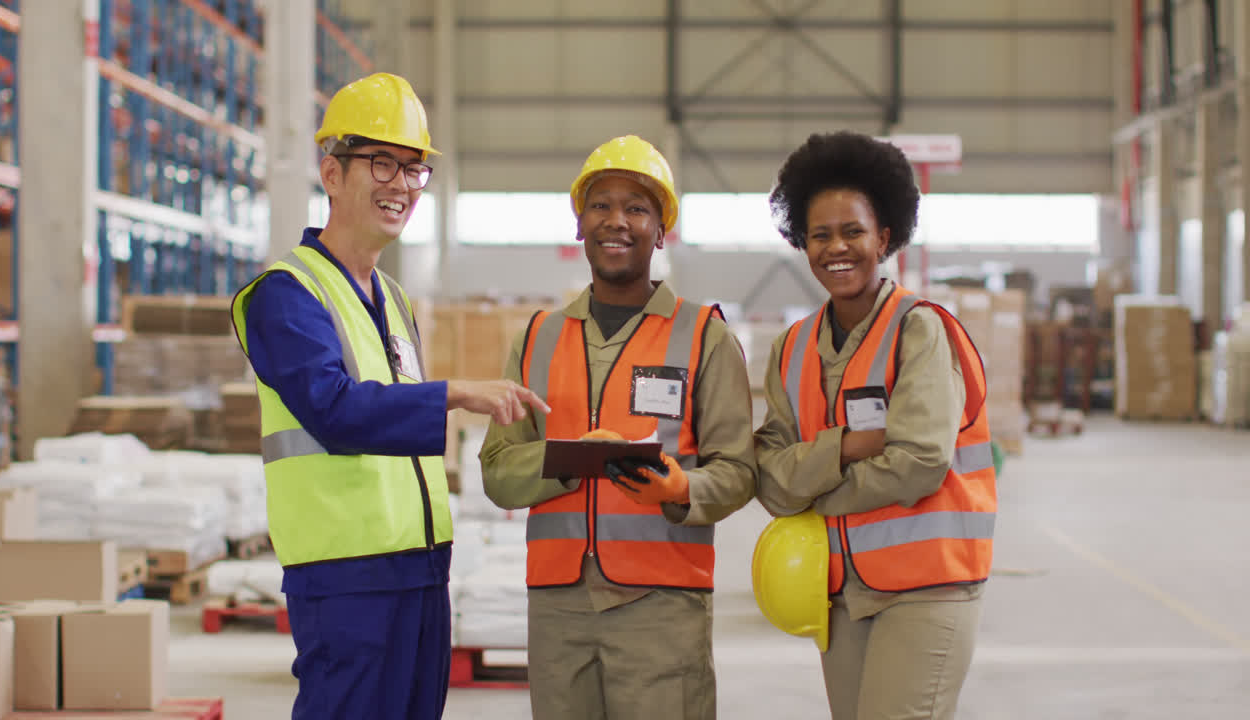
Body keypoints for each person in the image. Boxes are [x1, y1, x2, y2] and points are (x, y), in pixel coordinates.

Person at [229, 72, 548, 720]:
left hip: (421, 566)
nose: (401, 183)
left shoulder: (393, 300)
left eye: (414, 169)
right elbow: (335, 410)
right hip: (346, 577)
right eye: (381, 162)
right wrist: (454, 393)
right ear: (332, 172)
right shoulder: (287, 295)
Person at [478, 135, 757, 720]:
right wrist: (571, 461)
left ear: (661, 229)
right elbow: (499, 472)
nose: (617, 221)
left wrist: (681, 489)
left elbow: (737, 469)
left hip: (661, 604)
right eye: (601, 205)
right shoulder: (537, 337)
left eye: (637, 208)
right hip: (559, 608)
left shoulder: (703, 336)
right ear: (580, 224)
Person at [753, 131, 997, 720]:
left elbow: (919, 463)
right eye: (820, 235)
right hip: (840, 594)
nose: (837, 247)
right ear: (802, 244)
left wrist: (814, 484)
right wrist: (849, 446)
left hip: (929, 588)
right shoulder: (792, 348)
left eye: (853, 231)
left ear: (883, 237)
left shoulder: (920, 332)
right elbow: (769, 479)